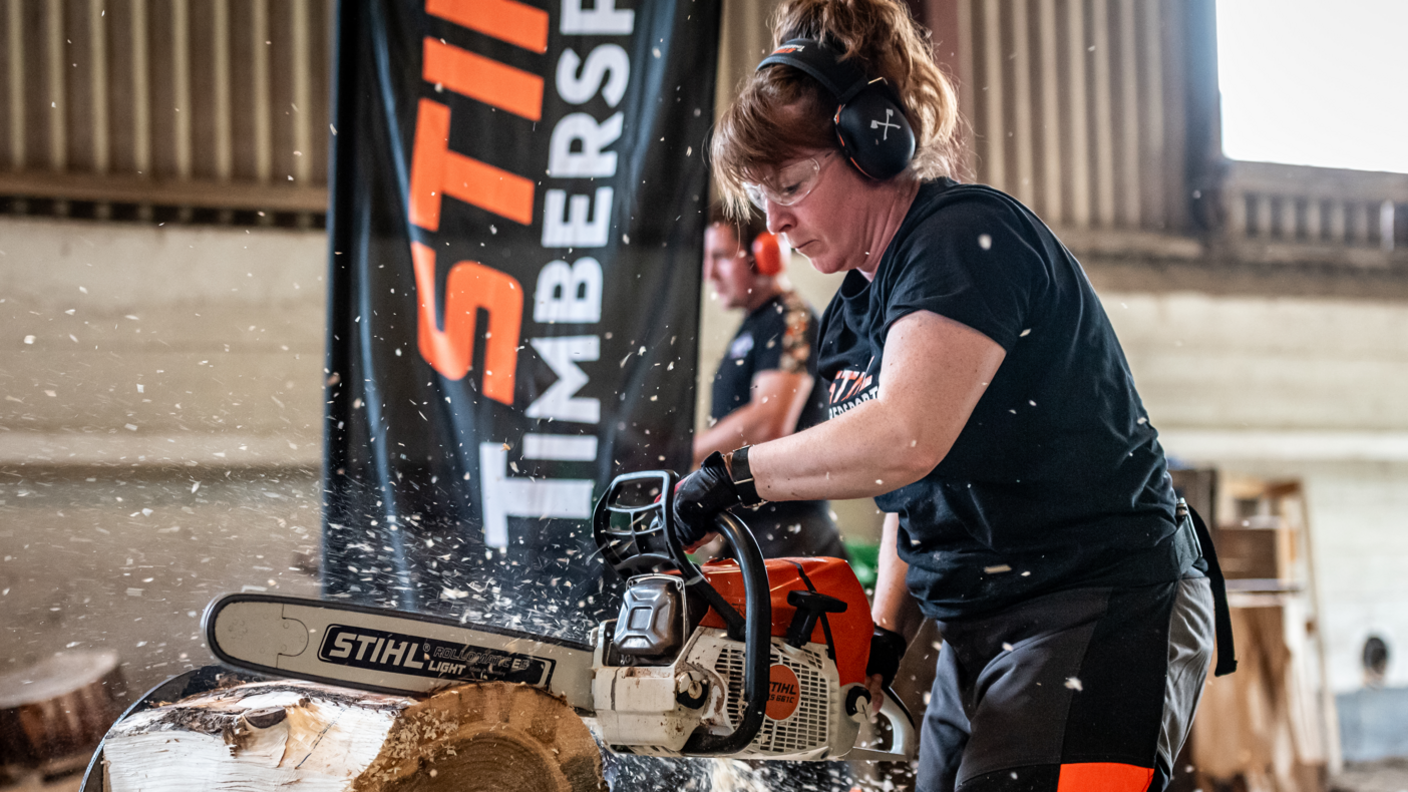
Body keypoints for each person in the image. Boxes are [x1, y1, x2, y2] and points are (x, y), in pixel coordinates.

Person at [673, 0, 1234, 790]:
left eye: (792, 184)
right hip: (979, 625)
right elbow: (908, 493)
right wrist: (882, 638)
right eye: (761, 194)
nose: (777, 219)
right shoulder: (856, 312)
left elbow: (906, 435)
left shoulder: (964, 239)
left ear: (874, 142)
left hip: (1100, 604)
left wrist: (730, 476)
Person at [694, 204, 847, 559]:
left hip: (789, 534)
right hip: (756, 532)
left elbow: (768, 422)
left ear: (766, 253)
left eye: (719, 257)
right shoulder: (755, 322)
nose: (708, 273)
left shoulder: (790, 317)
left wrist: (686, 450)